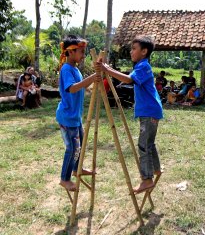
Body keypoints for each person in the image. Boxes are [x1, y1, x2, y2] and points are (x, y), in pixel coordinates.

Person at [97, 35, 163, 194]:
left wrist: (107, 70)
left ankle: (147, 179)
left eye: (134, 49)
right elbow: (128, 78)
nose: (131, 52)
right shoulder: (140, 66)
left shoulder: (143, 67)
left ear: (144, 51)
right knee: (149, 143)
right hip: (149, 111)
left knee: (143, 145)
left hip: (149, 112)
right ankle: (156, 169)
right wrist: (108, 69)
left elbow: (128, 80)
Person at [56, 35, 102, 191]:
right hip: (67, 117)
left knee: (80, 145)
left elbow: (80, 87)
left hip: (75, 117)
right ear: (70, 52)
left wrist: (90, 84)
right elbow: (72, 88)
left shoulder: (75, 69)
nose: (83, 55)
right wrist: (90, 78)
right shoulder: (66, 69)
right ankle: (64, 178)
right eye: (81, 52)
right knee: (72, 148)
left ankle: (77, 169)